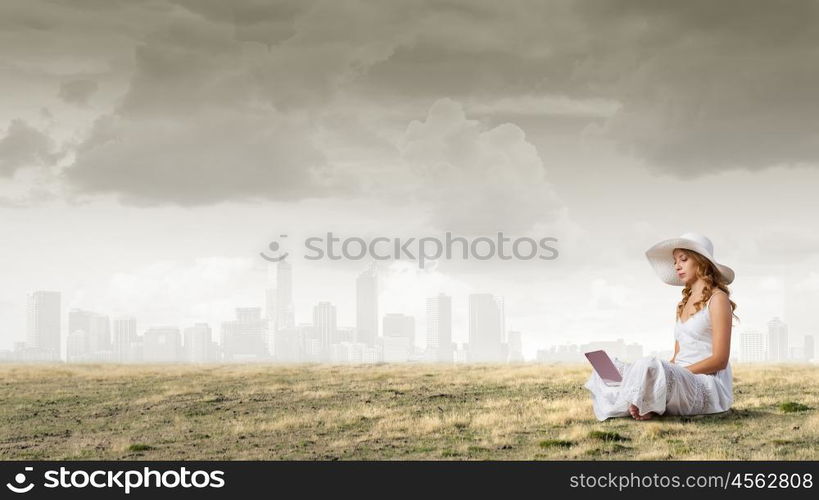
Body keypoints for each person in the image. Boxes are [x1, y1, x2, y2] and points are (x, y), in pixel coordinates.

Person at [584, 232, 739, 421]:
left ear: (702, 261)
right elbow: (676, 357)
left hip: (706, 382)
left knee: (648, 365)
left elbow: (720, 360)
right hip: (678, 377)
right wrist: (663, 372)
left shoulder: (718, 299)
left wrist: (668, 373)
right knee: (608, 365)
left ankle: (640, 398)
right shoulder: (683, 304)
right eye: (675, 261)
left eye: (683, 259)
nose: (677, 266)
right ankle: (642, 397)